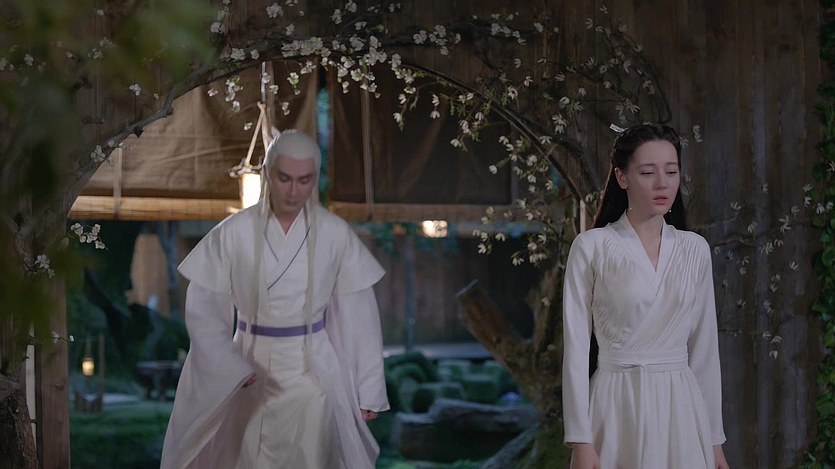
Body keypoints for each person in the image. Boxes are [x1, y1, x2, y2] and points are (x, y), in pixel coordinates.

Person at [160, 130, 389, 469]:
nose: (294, 191)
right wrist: (228, 366)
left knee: (312, 451)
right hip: (250, 362)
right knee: (247, 454)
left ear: (315, 178)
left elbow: (359, 314)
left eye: (304, 180)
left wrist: (369, 388)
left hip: (312, 366)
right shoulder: (233, 231)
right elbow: (204, 309)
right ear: (267, 173)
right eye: (284, 178)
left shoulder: (334, 233)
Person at [561, 123, 729, 469]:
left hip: (680, 407)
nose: (662, 183)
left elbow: (704, 351)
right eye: (648, 172)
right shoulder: (592, 247)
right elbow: (576, 349)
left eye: (671, 172)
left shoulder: (694, 249)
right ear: (622, 178)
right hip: (615, 404)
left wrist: (714, 442)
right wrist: (580, 439)